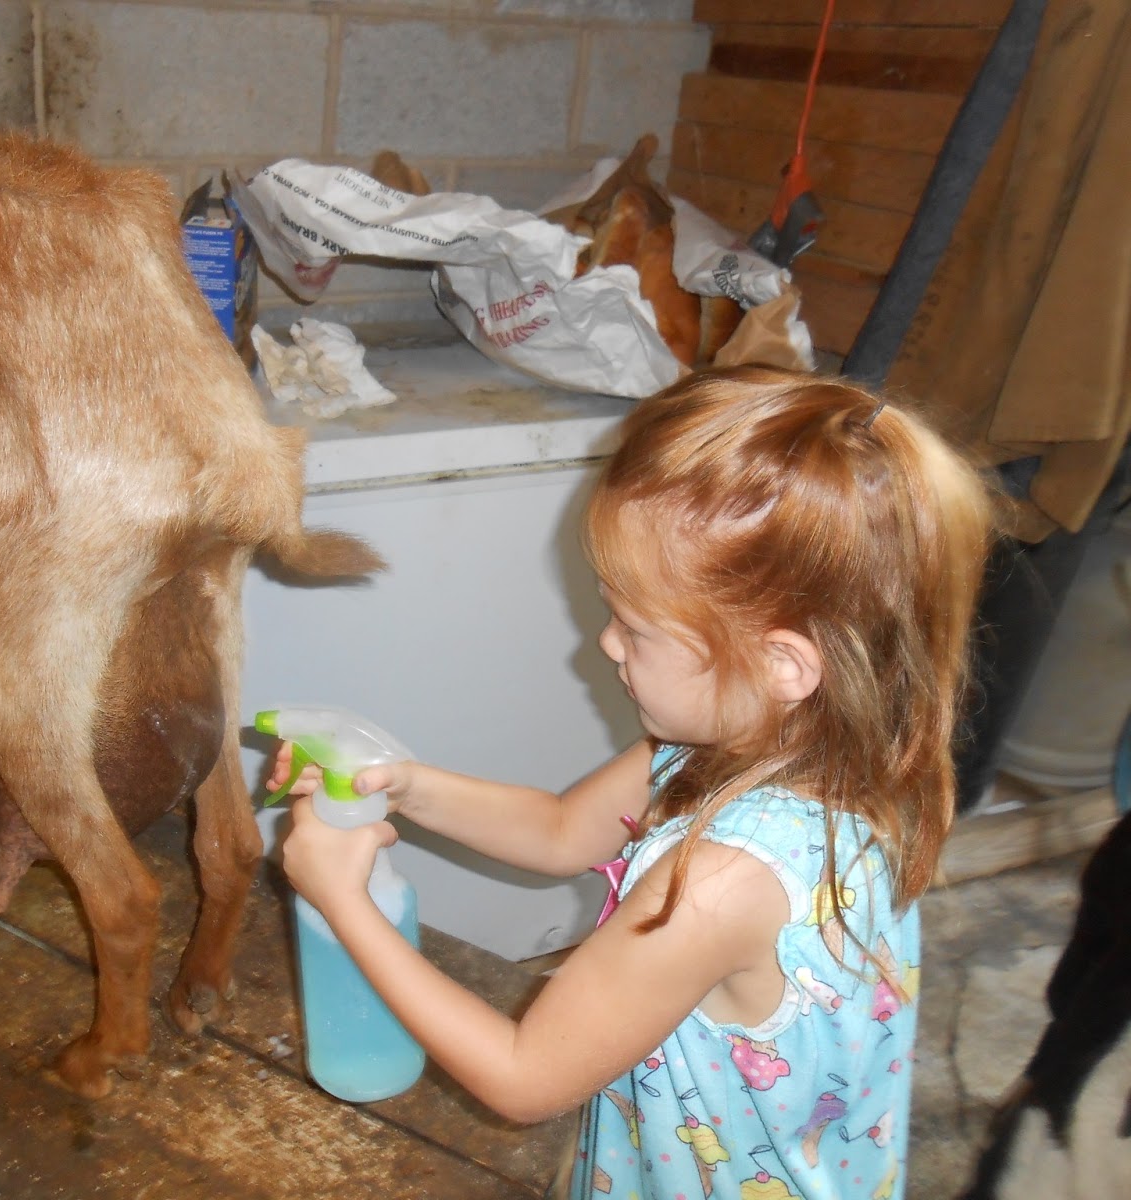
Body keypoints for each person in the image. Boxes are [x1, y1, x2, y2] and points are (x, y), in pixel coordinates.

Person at [269, 366, 996, 1199]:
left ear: (782, 663)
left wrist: (343, 904)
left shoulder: (723, 881)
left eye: (637, 626)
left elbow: (525, 1077)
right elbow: (558, 832)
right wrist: (401, 784)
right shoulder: (792, 750)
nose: (607, 645)